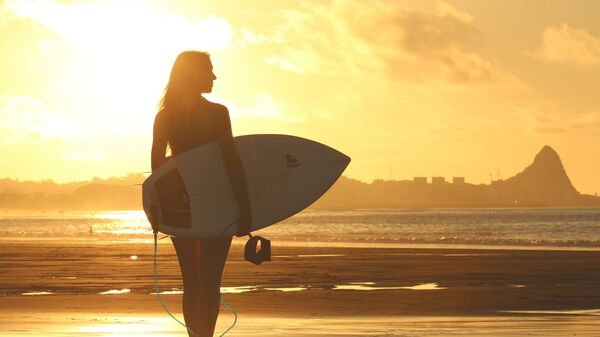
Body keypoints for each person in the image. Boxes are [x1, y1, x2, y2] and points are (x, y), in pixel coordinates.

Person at [150, 51, 252, 337]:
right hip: (218, 205)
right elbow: (232, 163)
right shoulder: (217, 114)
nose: (214, 76)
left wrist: (160, 210)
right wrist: (245, 209)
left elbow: (157, 170)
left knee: (192, 283)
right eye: (209, 70)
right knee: (209, 282)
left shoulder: (165, 117)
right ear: (192, 74)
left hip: (182, 208)